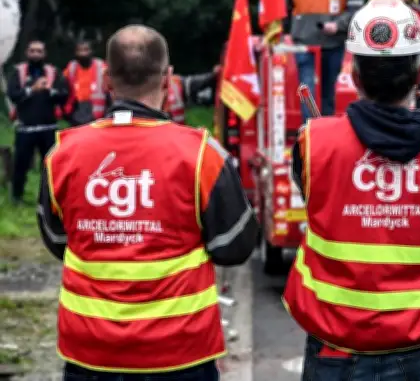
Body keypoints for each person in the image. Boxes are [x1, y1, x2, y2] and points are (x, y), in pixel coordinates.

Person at [37, 24, 258, 381]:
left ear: (106, 79)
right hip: (180, 353)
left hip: (91, 352)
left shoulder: (62, 153)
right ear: (168, 79)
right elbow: (235, 247)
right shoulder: (202, 155)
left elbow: (58, 241)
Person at [282, 0, 420, 380]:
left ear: (353, 76)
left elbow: (316, 201)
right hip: (417, 352)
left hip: (335, 347)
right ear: (419, 77)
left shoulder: (312, 142)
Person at [284, 0, 365, 120]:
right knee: (307, 89)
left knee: (329, 90)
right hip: (304, 45)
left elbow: (357, 8)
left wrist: (339, 25)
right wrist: (280, 32)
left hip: (333, 44)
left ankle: (325, 131)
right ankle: (309, 131)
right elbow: (281, 8)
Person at [7, 40, 69, 204]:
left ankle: (51, 198)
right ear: (27, 53)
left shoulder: (53, 72)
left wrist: (50, 89)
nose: (36, 54)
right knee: (21, 164)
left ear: (44, 54)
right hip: (25, 128)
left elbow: (64, 95)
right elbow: (13, 94)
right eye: (33, 51)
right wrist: (32, 89)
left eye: (39, 51)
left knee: (52, 166)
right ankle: (17, 197)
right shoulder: (19, 72)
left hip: (48, 127)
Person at [63, 39, 109, 126]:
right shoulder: (71, 67)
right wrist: (67, 113)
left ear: (92, 51)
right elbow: (65, 89)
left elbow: (109, 90)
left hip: (97, 113)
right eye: (80, 50)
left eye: (86, 50)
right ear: (75, 52)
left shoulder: (101, 66)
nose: (83, 53)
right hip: (77, 112)